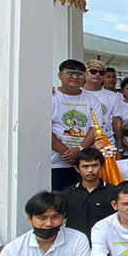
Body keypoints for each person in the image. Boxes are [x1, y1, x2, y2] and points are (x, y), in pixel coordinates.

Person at [51, 59, 101, 191]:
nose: (75, 77)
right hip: (55, 162)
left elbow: (95, 128)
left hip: (84, 163)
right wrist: (67, 153)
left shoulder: (92, 99)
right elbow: (44, 129)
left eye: (79, 74)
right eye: (70, 73)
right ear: (60, 75)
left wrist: (80, 150)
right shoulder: (51, 97)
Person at [60, 148, 116, 241]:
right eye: (85, 166)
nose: (90, 170)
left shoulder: (114, 192)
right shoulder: (67, 193)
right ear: (77, 168)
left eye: (95, 165)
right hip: (74, 244)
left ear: (102, 166)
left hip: (106, 242)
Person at [83, 59, 122, 141]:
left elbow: (116, 123)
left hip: (107, 141)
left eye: (101, 73)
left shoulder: (112, 96)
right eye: (93, 71)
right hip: (82, 140)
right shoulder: (76, 93)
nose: (97, 74)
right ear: (84, 73)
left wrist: (119, 146)